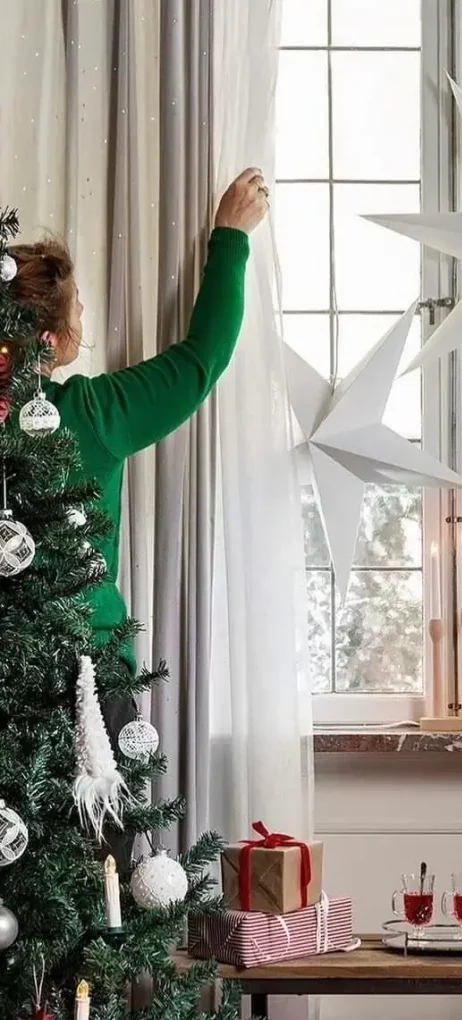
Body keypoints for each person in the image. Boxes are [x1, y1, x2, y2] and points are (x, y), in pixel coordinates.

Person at [6, 167, 268, 860]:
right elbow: (200, 362)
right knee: (108, 879)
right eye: (77, 313)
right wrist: (231, 238)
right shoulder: (92, 414)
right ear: (52, 339)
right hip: (92, 685)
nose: (83, 323)